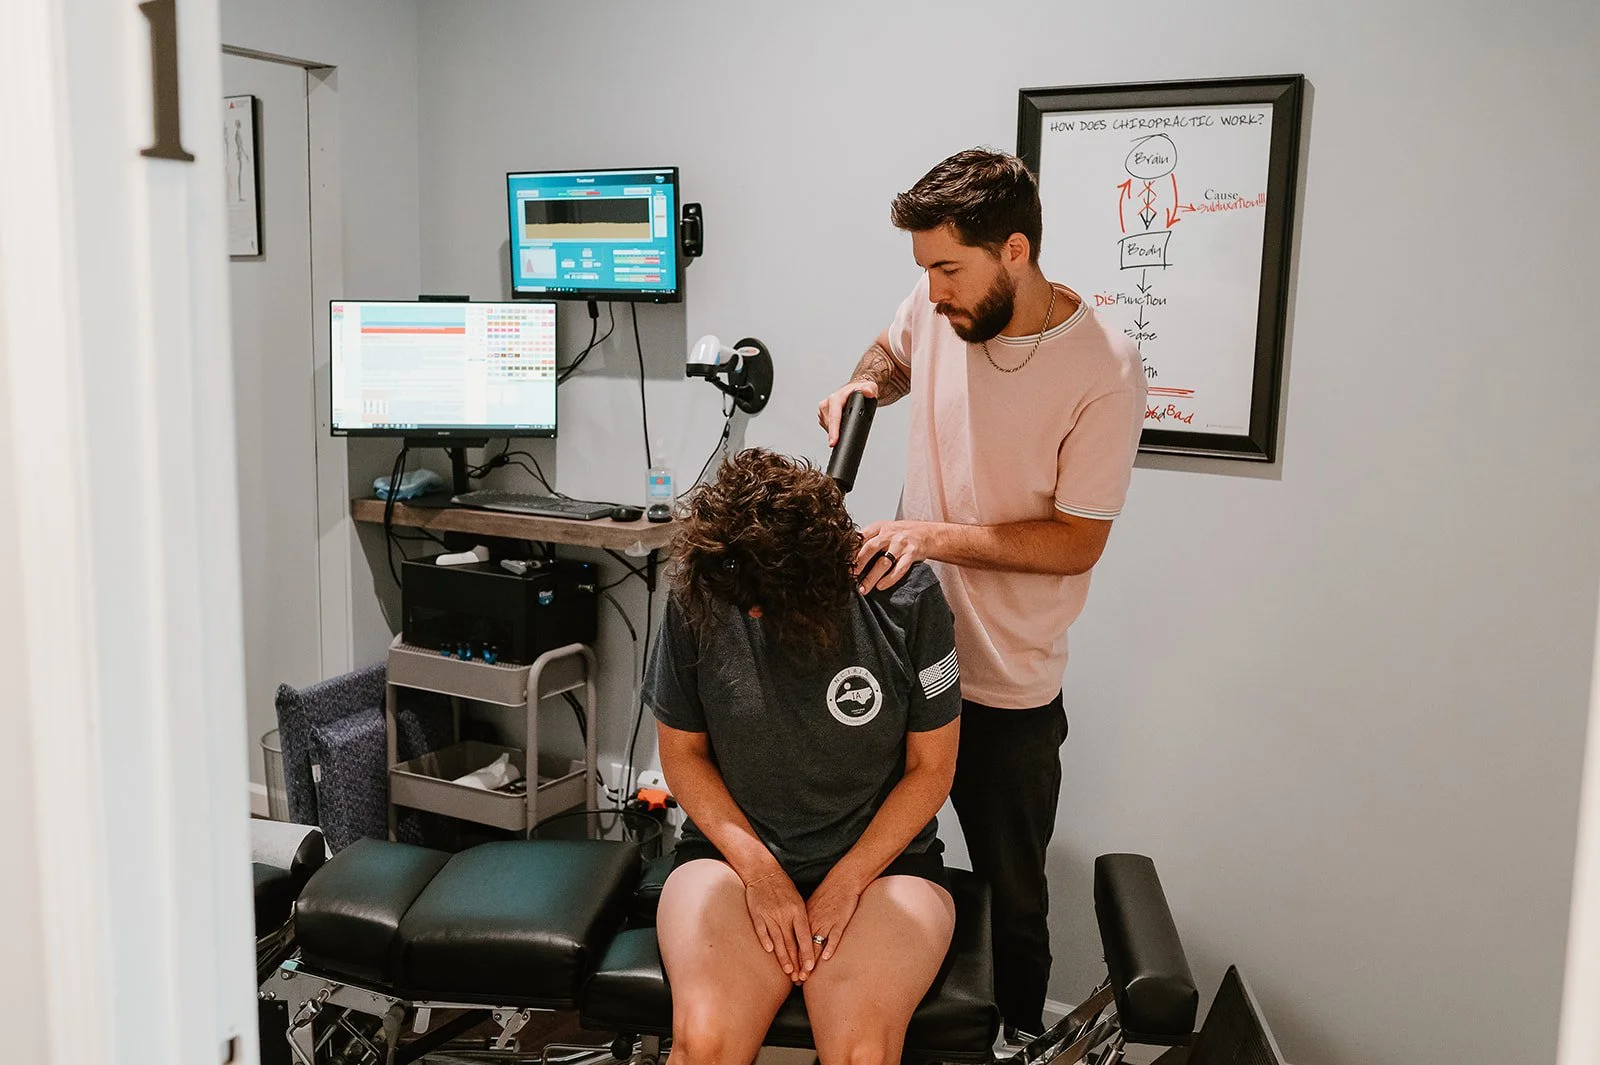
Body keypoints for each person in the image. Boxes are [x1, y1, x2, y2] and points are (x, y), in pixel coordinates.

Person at [816, 148, 1147, 1041]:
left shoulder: (1104, 370)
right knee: (869, 865)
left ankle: (1012, 1041)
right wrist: (863, 385)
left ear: (1014, 251)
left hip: (1005, 686)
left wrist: (927, 535)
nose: (932, 293)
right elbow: (889, 351)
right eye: (923, 271)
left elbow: (1078, 541)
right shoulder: (936, 309)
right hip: (895, 656)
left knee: (1013, 902)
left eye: (948, 270)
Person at [644, 448, 963, 1065]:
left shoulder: (908, 598)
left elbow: (933, 770)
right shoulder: (706, 594)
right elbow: (682, 755)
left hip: (884, 868)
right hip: (731, 859)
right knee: (703, 1045)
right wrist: (762, 875)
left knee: (861, 1054)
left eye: (767, 602)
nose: (754, 613)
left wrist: (845, 882)